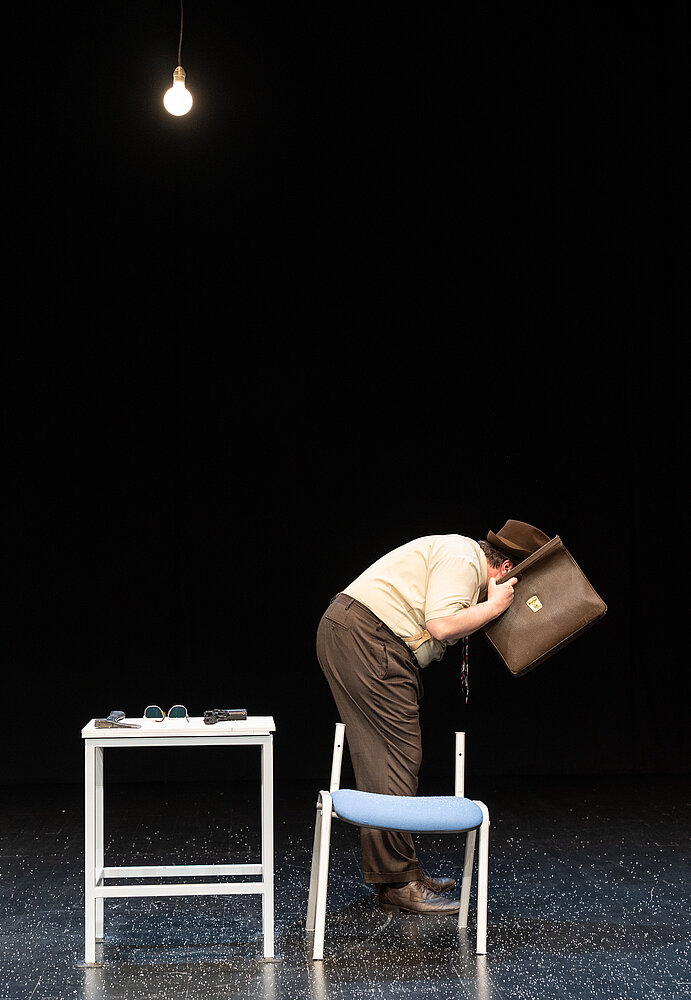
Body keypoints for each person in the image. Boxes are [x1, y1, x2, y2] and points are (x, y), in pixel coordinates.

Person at [316, 519, 550, 915]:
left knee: (385, 759)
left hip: (362, 636)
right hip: (367, 637)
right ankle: (398, 883)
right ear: (507, 569)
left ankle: (399, 876)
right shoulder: (464, 559)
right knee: (395, 759)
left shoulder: (459, 557)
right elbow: (440, 626)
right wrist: (493, 605)